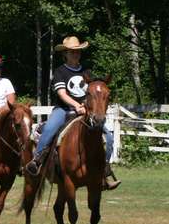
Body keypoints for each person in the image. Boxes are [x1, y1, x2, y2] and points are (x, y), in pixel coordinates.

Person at [24, 36, 120, 190]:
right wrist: (77, 105)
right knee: (49, 129)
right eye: (72, 52)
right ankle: (37, 161)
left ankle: (104, 170)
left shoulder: (86, 71)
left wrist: (88, 107)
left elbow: (93, 93)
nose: (76, 54)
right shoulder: (60, 72)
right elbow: (62, 94)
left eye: (78, 52)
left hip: (85, 111)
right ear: (65, 54)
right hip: (63, 109)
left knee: (107, 137)